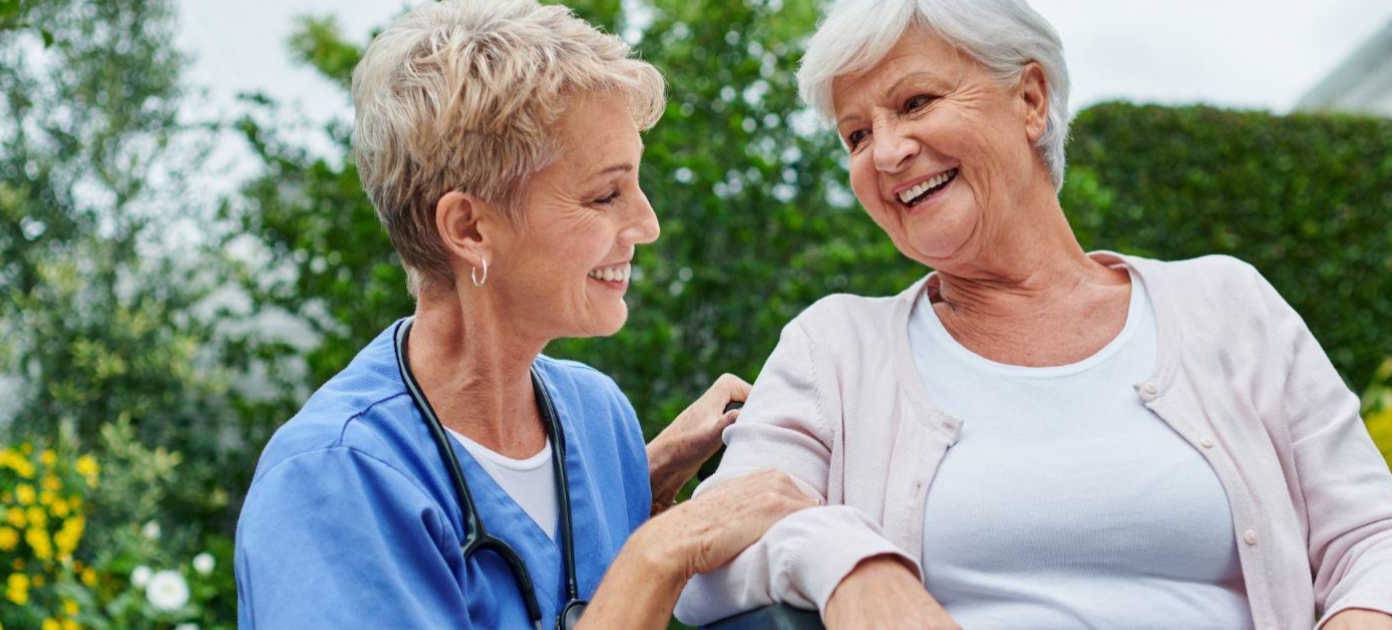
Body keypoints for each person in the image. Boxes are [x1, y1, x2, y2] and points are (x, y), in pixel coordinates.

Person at [674, 0, 1392, 629]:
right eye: (856, 135)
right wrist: (854, 564)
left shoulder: (1229, 306)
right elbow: (709, 556)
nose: (887, 152)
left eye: (916, 102)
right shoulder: (833, 348)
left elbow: (1372, 534)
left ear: (1030, 99)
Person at [233, 1, 815, 628]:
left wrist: (638, 494)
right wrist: (657, 555)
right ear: (469, 228)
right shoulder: (331, 482)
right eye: (604, 195)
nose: (646, 224)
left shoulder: (598, 420)